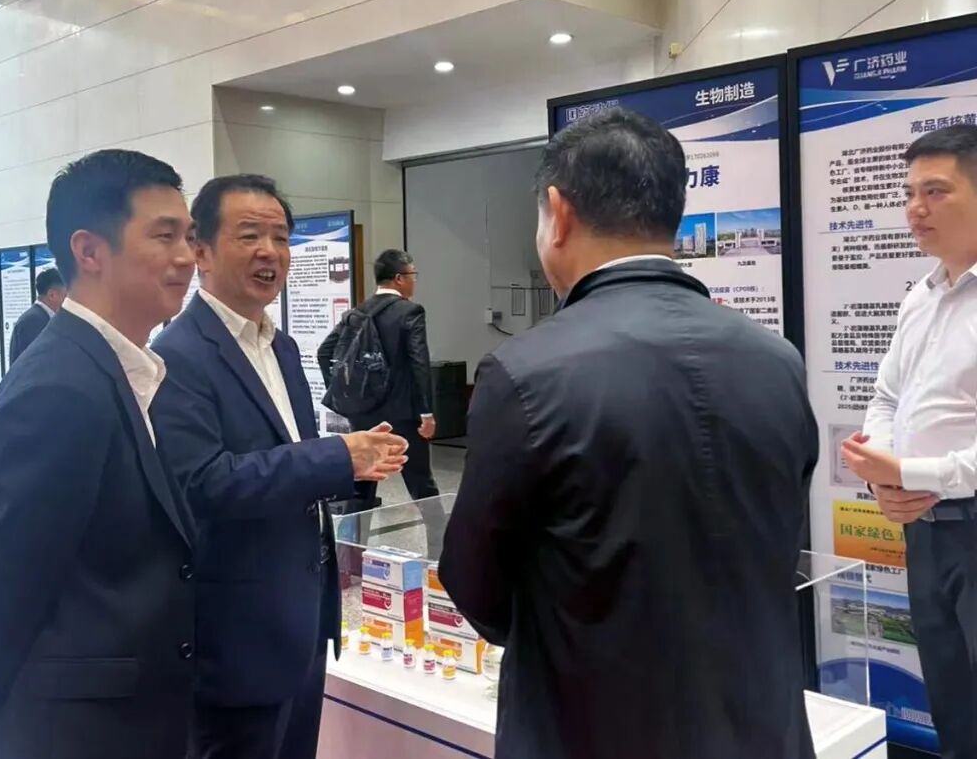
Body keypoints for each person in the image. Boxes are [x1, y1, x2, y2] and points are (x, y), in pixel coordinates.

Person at [438, 107, 818, 759]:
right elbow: (777, 539)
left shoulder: (525, 372)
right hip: (761, 725)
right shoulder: (777, 359)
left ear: (558, 214)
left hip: (591, 723)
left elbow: (476, 583)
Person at [0, 150, 198, 759]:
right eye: (164, 236)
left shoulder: (123, 371)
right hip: (75, 732)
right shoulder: (58, 389)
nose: (187, 256)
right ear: (89, 251)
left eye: (188, 236)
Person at [150, 174, 407, 759]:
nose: (270, 252)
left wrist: (354, 464)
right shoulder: (178, 356)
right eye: (249, 236)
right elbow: (204, 483)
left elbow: (287, 455)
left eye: (281, 238)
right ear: (200, 251)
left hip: (301, 622)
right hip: (237, 638)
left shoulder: (281, 347)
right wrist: (336, 456)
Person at [841, 125, 977, 759]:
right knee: (951, 699)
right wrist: (885, 477)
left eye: (936, 191)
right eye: (909, 193)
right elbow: (887, 397)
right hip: (926, 533)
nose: (915, 208)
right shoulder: (919, 299)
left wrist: (913, 475)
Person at [317, 249, 442, 554]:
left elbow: (324, 352)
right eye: (412, 275)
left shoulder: (357, 313)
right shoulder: (410, 312)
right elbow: (419, 363)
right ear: (399, 278)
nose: (414, 281)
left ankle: (349, 557)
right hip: (402, 416)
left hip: (363, 415)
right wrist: (426, 412)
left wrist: (345, 394)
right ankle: (440, 553)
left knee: (361, 487)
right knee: (422, 486)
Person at [8, 267, 66, 363]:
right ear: (52, 295)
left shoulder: (44, 318)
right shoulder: (33, 322)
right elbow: (37, 363)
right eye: (66, 296)